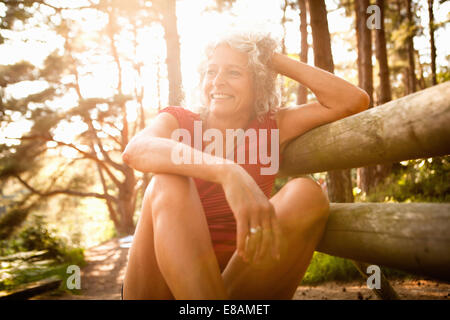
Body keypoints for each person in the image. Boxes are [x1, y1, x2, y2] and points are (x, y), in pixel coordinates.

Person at [121, 32, 369, 300]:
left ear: (259, 83)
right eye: (211, 71)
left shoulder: (272, 126)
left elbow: (352, 101)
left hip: (231, 288)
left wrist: (272, 59)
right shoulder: (179, 120)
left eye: (234, 73)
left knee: (306, 193)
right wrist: (226, 171)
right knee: (168, 182)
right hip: (157, 287)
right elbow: (136, 150)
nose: (217, 81)